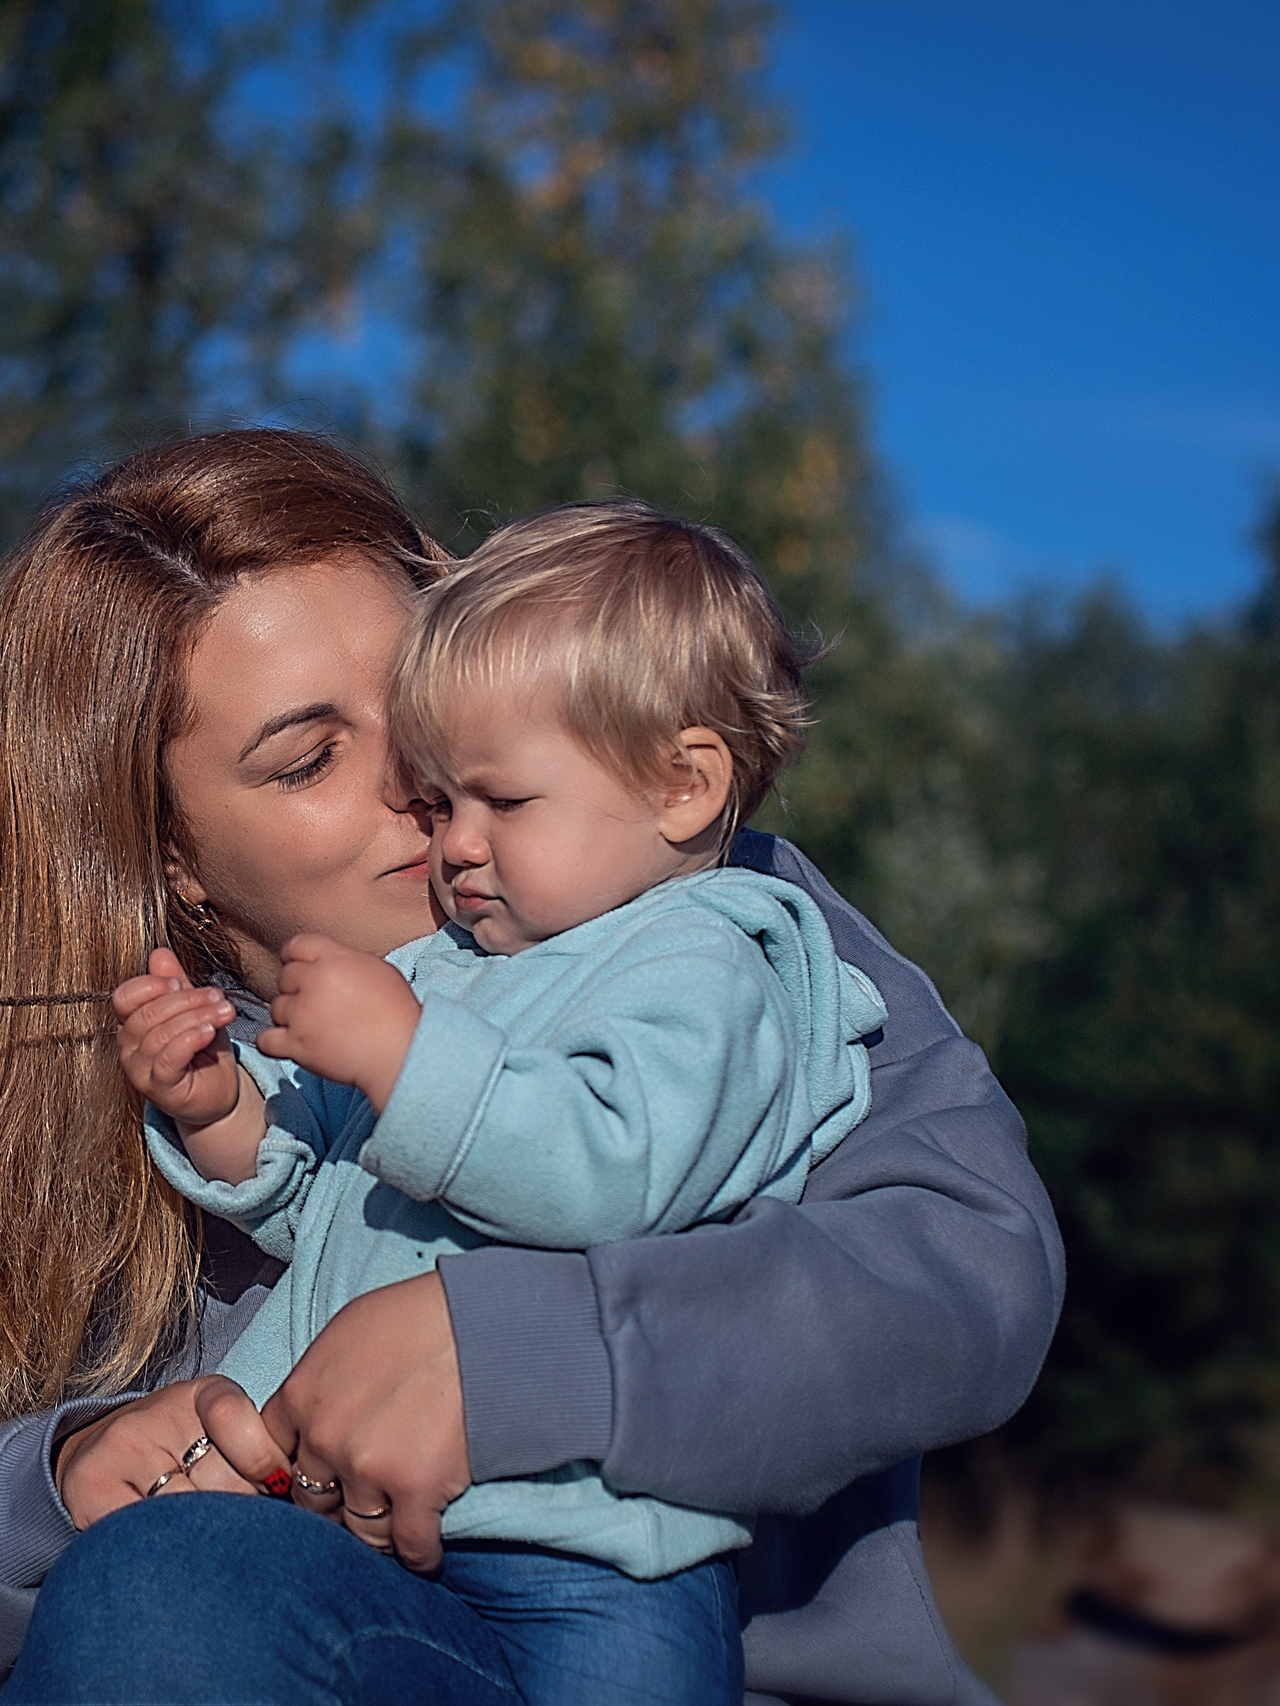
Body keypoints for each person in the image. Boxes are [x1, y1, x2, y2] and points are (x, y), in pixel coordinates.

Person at [0, 430, 1065, 1706]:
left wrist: (528, 1356)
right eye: (311, 755)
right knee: (170, 1583)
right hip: (251, 1633)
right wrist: (55, 1484)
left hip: (666, 1646)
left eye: (424, 700)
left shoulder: (703, 917)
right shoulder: (79, 1101)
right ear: (167, 857)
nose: (421, 787)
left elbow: (969, 1272)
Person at [114, 498, 891, 1706]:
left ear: (684, 786)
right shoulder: (460, 965)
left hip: (591, 1542)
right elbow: (331, 1202)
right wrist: (217, 1103)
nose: (450, 840)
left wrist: (407, 1057)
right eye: (447, 794)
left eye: (501, 802)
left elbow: (618, 1173)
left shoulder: (706, 963)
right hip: (354, 1515)